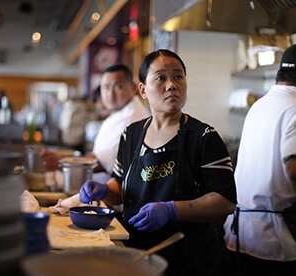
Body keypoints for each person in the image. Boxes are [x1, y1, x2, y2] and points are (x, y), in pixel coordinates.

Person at [79, 49, 237, 276]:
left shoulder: (203, 137)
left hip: (189, 260)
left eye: (178, 76)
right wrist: (104, 190)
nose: (171, 84)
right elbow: (120, 187)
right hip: (136, 254)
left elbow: (225, 201)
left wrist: (172, 210)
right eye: (161, 78)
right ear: (143, 90)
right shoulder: (131, 134)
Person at [223, 44, 296, 275]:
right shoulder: (294, 108)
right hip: (273, 240)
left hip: (239, 233)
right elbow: (293, 170)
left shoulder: (260, 105)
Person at [42, 64, 149, 183]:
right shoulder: (120, 111)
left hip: (114, 195)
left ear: (133, 87)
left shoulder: (131, 116)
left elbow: (105, 161)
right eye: (106, 87)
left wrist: (61, 162)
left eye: (118, 86)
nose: (111, 93)